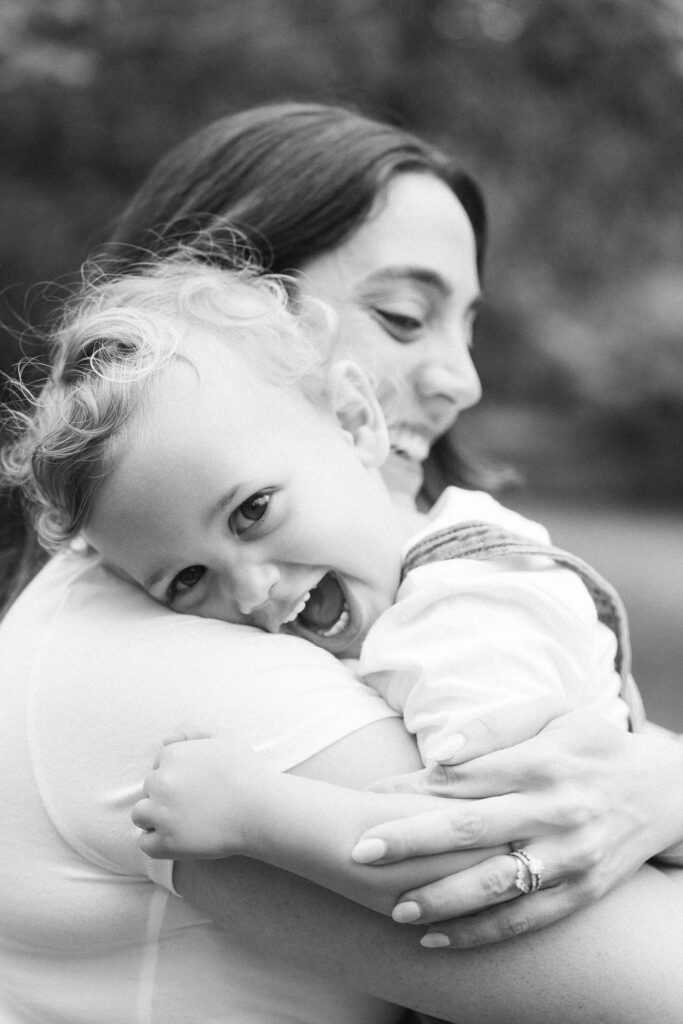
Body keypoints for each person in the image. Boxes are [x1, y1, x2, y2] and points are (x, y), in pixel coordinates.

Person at [1, 102, 683, 1024]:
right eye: (403, 315)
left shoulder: (451, 596)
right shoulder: (166, 663)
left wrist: (656, 786)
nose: (463, 380)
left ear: (350, 416)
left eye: (464, 321)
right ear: (234, 293)